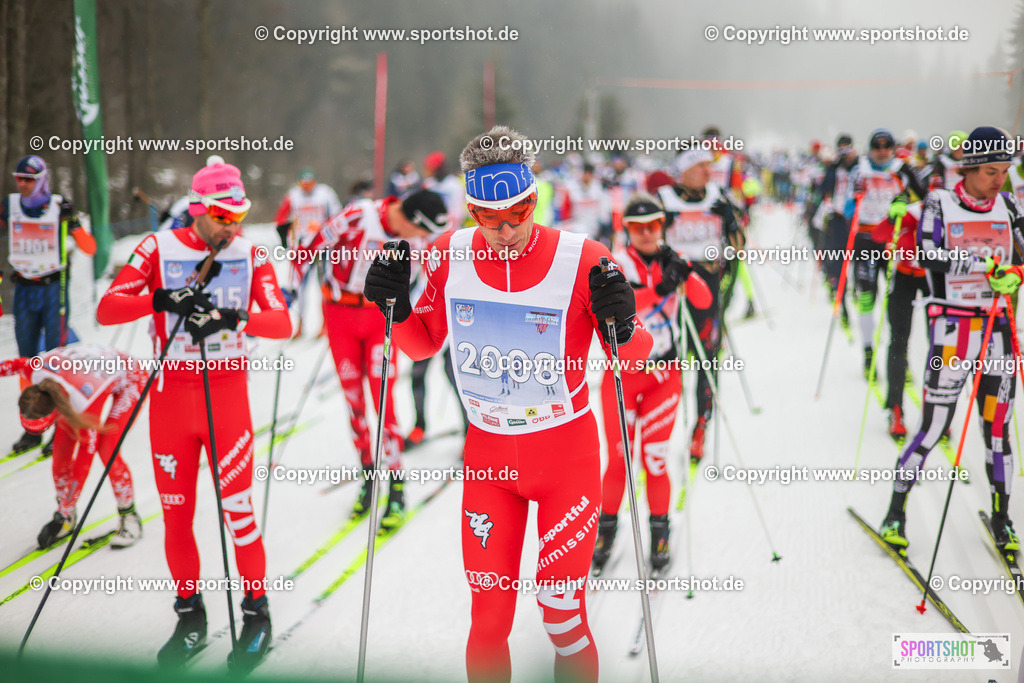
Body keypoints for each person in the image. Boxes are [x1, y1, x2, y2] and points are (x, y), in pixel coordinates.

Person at [364, 125, 653, 682]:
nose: (503, 231)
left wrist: (622, 323)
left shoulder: (583, 259)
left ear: (534, 197)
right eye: (486, 217)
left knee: (562, 612)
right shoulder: (450, 254)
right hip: (489, 461)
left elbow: (634, 359)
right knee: (489, 618)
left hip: (564, 457)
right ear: (470, 210)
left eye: (518, 212)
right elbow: (424, 341)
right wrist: (396, 309)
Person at [96, 161, 291, 669]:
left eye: (241, 213)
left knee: (240, 514)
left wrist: (234, 316)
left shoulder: (250, 252)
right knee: (177, 516)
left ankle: (256, 614)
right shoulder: (158, 248)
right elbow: (108, 308)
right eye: (224, 215)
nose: (233, 225)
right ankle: (190, 616)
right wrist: (158, 297)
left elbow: (282, 321)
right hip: (171, 400)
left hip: (226, 398)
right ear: (200, 209)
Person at [879, 126, 1024, 553]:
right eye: (990, 172)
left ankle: (1002, 518)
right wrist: (980, 261)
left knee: (997, 429)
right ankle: (895, 513)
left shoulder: (1010, 204)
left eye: (1005, 171)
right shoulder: (939, 203)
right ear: (968, 169)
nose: (998, 180)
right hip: (953, 333)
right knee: (933, 426)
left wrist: (1013, 274)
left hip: (997, 329)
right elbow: (925, 253)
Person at [295, 188, 446, 525]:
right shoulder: (358, 215)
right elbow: (311, 246)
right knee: (354, 403)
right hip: (340, 316)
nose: (422, 240)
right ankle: (368, 476)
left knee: (384, 403)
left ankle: (396, 486)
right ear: (409, 220)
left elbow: (423, 285)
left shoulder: (416, 243)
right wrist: (290, 291)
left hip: (381, 318)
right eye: (421, 231)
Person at [591, 195, 711, 575]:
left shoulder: (671, 259)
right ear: (626, 228)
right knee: (619, 463)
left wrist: (686, 273)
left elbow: (704, 300)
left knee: (654, 460)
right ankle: (606, 531)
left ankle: (660, 531)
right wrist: (658, 290)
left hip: (664, 375)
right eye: (639, 227)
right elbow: (616, 305)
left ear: (663, 226)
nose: (646, 233)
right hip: (622, 377)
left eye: (654, 226)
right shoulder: (613, 264)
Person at [0, 343, 144, 548]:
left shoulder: (84, 403)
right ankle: (66, 518)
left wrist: (66, 508)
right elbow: (13, 364)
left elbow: (83, 465)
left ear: (56, 410)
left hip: (129, 377)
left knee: (107, 449)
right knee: (61, 452)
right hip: (78, 374)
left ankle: (129, 514)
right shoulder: (36, 371)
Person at [1, 155, 96, 454]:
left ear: (42, 179)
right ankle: (33, 428)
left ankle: (61, 426)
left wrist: (75, 222)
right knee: (28, 363)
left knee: (56, 362)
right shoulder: (10, 205)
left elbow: (89, 248)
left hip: (54, 289)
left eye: (29, 179)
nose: (23, 184)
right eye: (19, 178)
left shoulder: (58, 206)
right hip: (25, 290)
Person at [658, 148, 744, 462]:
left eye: (710, 165)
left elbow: (739, 249)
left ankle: (700, 427)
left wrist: (730, 222)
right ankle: (663, 422)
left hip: (707, 289)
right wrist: (659, 230)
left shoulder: (719, 197)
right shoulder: (664, 198)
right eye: (700, 166)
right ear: (684, 171)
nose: (708, 172)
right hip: (672, 291)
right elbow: (642, 246)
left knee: (707, 360)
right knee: (670, 360)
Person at [848, 129, 926, 376]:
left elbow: (926, 200)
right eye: (877, 147)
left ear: (893, 148)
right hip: (867, 240)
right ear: (870, 149)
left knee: (897, 306)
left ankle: (899, 359)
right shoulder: (859, 169)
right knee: (867, 301)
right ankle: (868, 355)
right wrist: (855, 196)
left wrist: (906, 200)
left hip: (894, 242)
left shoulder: (903, 168)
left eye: (886, 146)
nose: (882, 151)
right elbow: (847, 207)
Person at [274, 167, 342, 338]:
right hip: (302, 247)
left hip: (322, 246)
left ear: (315, 182)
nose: (307, 188)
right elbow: (281, 218)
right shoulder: (292, 195)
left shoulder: (325, 193)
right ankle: (300, 324)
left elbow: (337, 216)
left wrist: (331, 237)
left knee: (323, 286)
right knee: (300, 287)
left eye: (309, 184)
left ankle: (325, 324)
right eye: (303, 184)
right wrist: (284, 238)